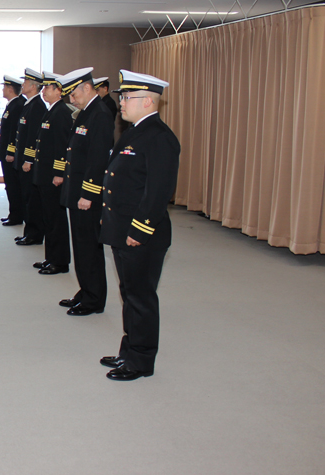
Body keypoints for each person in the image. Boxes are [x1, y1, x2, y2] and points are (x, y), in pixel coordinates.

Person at [100, 70, 180, 381]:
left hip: (141, 234)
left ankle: (142, 361)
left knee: (141, 297)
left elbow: (158, 192)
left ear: (147, 101)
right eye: (121, 97)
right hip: (123, 228)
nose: (121, 102)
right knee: (129, 292)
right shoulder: (135, 131)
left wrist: (140, 230)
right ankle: (128, 350)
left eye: (126, 97)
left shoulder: (159, 137)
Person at [57, 67, 114, 316]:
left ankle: (94, 299)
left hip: (86, 196)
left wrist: (88, 194)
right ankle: (85, 290)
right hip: (76, 190)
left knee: (88, 246)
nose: (71, 98)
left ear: (87, 88)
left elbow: (98, 159)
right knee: (80, 245)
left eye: (73, 93)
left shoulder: (99, 115)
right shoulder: (85, 113)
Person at [31, 72, 73, 275]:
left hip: (52, 177)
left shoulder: (62, 113)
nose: (43, 91)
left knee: (56, 220)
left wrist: (59, 172)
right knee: (49, 218)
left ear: (59, 90)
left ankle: (60, 261)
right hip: (44, 174)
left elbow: (61, 147)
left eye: (47, 87)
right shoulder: (51, 111)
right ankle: (51, 257)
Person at [13, 68, 47, 244]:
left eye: (25, 83)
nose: (22, 85)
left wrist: (28, 159)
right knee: (27, 197)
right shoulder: (29, 105)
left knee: (31, 200)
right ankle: (29, 231)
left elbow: (34, 137)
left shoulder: (36, 106)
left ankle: (34, 234)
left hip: (29, 162)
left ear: (34, 86)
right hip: (23, 160)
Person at [0, 75, 26, 226]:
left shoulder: (18, 105)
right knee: (10, 185)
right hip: (7, 152)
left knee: (14, 186)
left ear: (10, 89)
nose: (2, 90)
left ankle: (16, 216)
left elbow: (15, 132)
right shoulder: (12, 104)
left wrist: (10, 152)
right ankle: (13, 213)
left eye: (4, 87)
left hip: (11, 154)